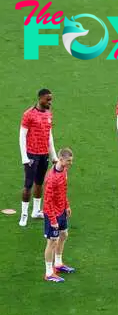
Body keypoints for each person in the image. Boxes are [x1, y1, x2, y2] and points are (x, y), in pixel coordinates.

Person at [19, 88, 58, 227]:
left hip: (43, 155)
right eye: (48, 99)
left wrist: (53, 155)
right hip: (31, 155)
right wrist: (24, 157)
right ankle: (24, 214)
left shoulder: (48, 114)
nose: (50, 102)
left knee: (39, 183)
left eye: (51, 99)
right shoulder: (28, 114)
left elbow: (49, 136)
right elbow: (22, 136)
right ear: (40, 98)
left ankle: (35, 211)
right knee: (28, 185)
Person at [42, 148, 75, 283]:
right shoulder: (51, 178)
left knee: (64, 235)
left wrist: (66, 205)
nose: (70, 163)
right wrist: (53, 219)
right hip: (52, 214)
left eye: (71, 161)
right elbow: (47, 201)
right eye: (68, 161)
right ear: (61, 159)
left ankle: (58, 263)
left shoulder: (64, 171)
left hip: (61, 211)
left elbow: (63, 190)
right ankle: (49, 272)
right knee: (52, 242)